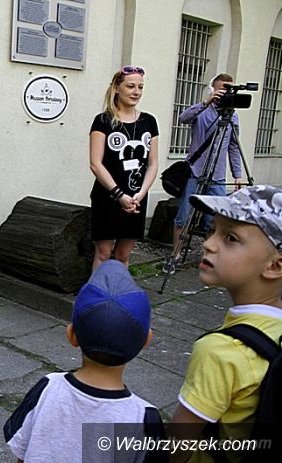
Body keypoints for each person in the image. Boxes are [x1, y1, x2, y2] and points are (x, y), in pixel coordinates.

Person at [4, 260, 165, 462]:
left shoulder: (47, 388)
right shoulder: (144, 419)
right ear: (146, 341)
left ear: (72, 335)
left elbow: (22, 452)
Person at [168, 185, 282, 463]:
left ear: (275, 266)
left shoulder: (220, 351)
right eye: (212, 230)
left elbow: (176, 448)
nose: (208, 243)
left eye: (230, 237)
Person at [165, 73, 243, 274]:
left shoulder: (233, 116)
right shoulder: (202, 111)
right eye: (223, 88)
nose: (227, 93)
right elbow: (183, 118)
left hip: (218, 176)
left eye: (230, 89)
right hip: (196, 172)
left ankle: (209, 260)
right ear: (214, 89)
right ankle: (174, 256)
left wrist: (238, 175)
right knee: (183, 217)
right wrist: (206, 102)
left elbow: (234, 146)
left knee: (215, 221)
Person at [89, 66, 159, 270]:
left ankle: (118, 289)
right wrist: (119, 195)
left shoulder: (149, 121)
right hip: (108, 197)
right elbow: (95, 163)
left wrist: (141, 194)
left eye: (140, 87)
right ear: (116, 88)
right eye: (130, 86)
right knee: (103, 253)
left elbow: (153, 163)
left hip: (136, 199)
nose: (136, 92)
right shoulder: (103, 121)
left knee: (123, 255)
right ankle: (98, 290)